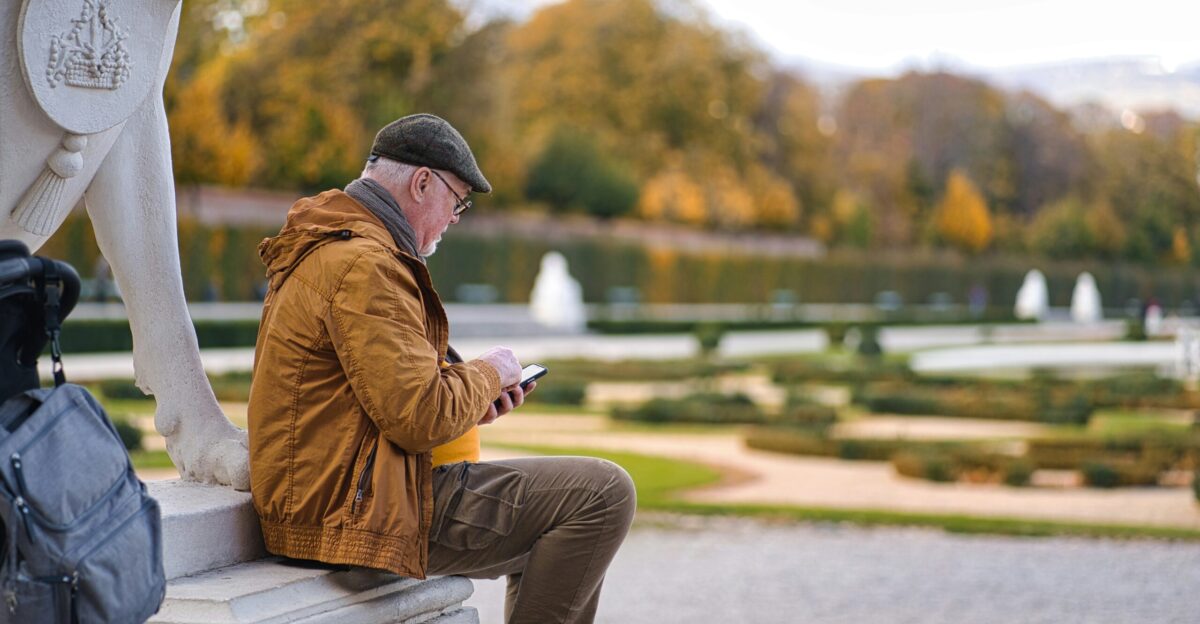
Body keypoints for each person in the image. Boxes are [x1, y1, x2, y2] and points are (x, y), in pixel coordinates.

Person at [247, 114, 635, 623]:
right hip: (352, 512)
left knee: (567, 537)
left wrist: (474, 399)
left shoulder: (337, 248)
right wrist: (492, 372)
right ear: (422, 181)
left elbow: (381, 397)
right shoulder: (366, 265)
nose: (456, 217)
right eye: (457, 201)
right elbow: (419, 417)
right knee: (602, 495)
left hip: (335, 497)